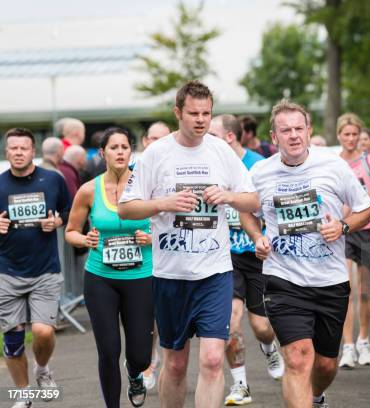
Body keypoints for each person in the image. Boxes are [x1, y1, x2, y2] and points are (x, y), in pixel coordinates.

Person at [117, 80, 260, 408]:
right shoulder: (156, 154)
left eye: (206, 114)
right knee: (177, 364)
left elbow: (252, 201)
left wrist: (228, 196)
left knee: (211, 360)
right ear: (178, 112)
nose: (200, 120)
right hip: (171, 276)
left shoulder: (221, 151)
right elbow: (126, 208)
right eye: (193, 113)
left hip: (215, 273)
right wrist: (163, 204)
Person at [240, 99, 370, 408]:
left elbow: (365, 209)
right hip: (283, 279)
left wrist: (342, 226)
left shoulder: (333, 165)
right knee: (298, 357)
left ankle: (316, 397)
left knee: (325, 365)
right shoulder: (261, 172)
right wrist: (258, 236)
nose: (294, 135)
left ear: (309, 130)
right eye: (285, 130)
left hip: (330, 280)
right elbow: (246, 210)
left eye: (299, 128)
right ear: (274, 137)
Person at [65, 127, 153, 408]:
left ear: (131, 151)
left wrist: (152, 237)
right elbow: (71, 232)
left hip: (141, 276)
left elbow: (167, 225)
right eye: (113, 147)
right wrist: (84, 238)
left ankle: (135, 373)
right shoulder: (88, 190)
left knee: (141, 355)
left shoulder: (146, 187)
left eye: (125, 147)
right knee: (108, 349)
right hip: (101, 278)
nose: (120, 152)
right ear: (102, 153)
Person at [208, 114, 285, 406]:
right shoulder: (209, 165)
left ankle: (269, 347)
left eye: (212, 135)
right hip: (225, 257)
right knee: (229, 321)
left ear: (230, 137)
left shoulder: (261, 166)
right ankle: (240, 384)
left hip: (260, 255)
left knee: (263, 327)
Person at [0, 128, 72, 408]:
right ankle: (23, 394)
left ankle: (42, 369)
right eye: (13, 148)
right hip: (7, 272)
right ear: (7, 152)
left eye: (24, 148)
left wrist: (57, 222)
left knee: (43, 331)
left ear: (34, 151)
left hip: (45, 270)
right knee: (14, 340)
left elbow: (69, 212)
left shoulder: (53, 180)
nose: (18, 152)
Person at [336, 113, 370, 369]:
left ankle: (364, 341)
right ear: (339, 136)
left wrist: (363, 197)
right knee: (346, 289)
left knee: (365, 289)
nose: (351, 138)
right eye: (346, 134)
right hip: (344, 230)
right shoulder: (334, 163)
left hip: (368, 228)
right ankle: (347, 346)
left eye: (355, 134)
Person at [138, 120, 172, 391]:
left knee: (164, 317)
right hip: (137, 260)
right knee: (144, 315)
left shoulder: (175, 172)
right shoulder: (133, 173)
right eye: (153, 138)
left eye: (164, 138)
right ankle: (148, 361)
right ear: (144, 141)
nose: (158, 143)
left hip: (170, 257)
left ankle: (166, 360)